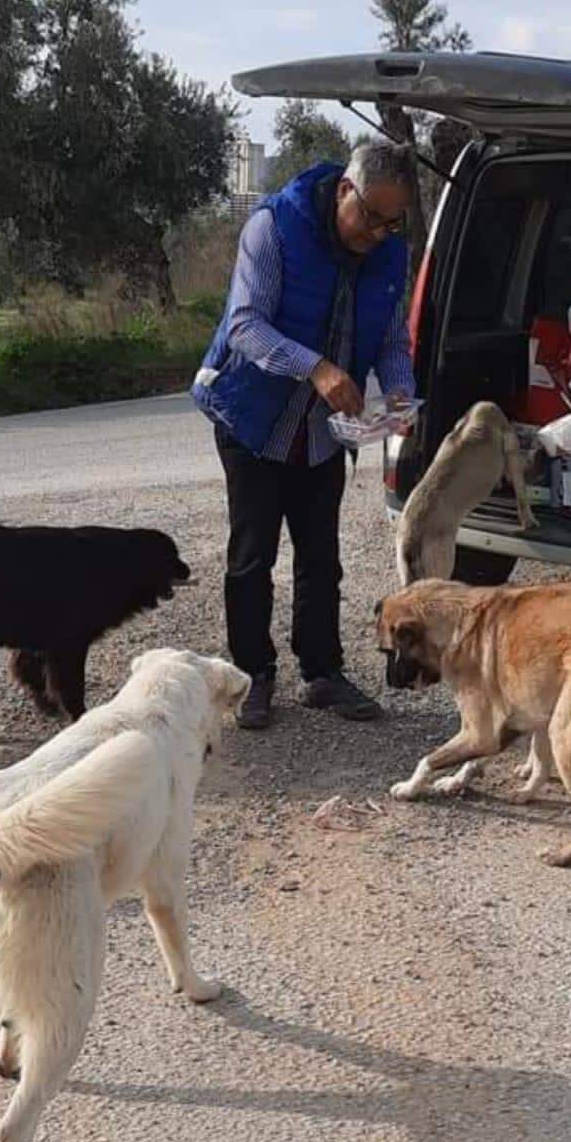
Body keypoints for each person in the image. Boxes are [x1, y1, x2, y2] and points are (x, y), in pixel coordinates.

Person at [192, 140, 416, 729]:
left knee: (321, 559)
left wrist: (399, 394)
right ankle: (251, 677)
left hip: (322, 434)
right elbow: (244, 325)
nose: (378, 233)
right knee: (252, 556)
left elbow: (393, 340)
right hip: (252, 420)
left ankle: (322, 673)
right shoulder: (274, 227)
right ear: (345, 189)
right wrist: (316, 368)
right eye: (371, 217)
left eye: (393, 222)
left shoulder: (392, 254)